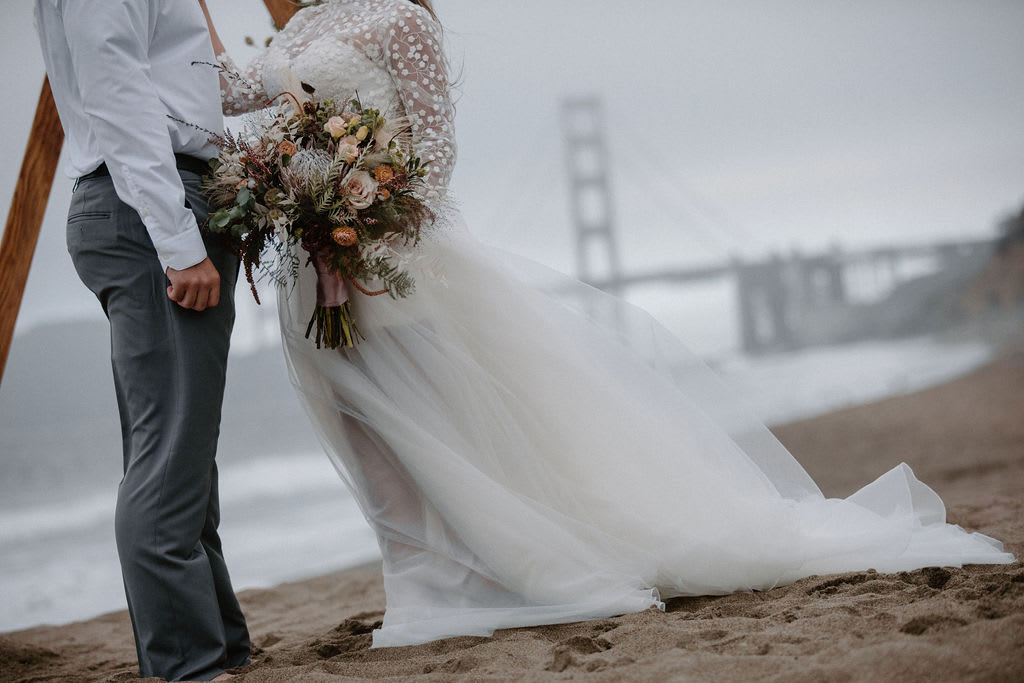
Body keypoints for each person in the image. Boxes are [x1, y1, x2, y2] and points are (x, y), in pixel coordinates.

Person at [204, 0, 1014, 649]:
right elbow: (226, 91)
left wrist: (366, 216)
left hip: (393, 254)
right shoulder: (303, 22)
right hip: (314, 263)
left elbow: (438, 150)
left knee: (445, 418)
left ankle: (486, 573)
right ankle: (419, 588)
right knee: (365, 427)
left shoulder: (405, 20)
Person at [34, 1, 250, 680]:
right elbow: (116, 92)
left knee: (180, 454)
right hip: (150, 212)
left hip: (152, 205)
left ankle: (218, 643)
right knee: (168, 460)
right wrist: (180, 241)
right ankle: (190, 665)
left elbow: (175, 81)